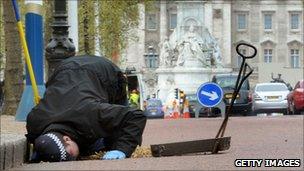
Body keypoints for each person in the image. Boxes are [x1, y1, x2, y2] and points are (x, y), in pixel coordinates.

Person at [26, 55, 147, 162]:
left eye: (71, 154)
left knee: (115, 138)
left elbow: (135, 116)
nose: (74, 158)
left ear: (67, 139)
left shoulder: (91, 113)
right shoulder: (35, 121)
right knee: (87, 144)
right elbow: (39, 142)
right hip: (62, 71)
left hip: (104, 72)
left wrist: (122, 149)